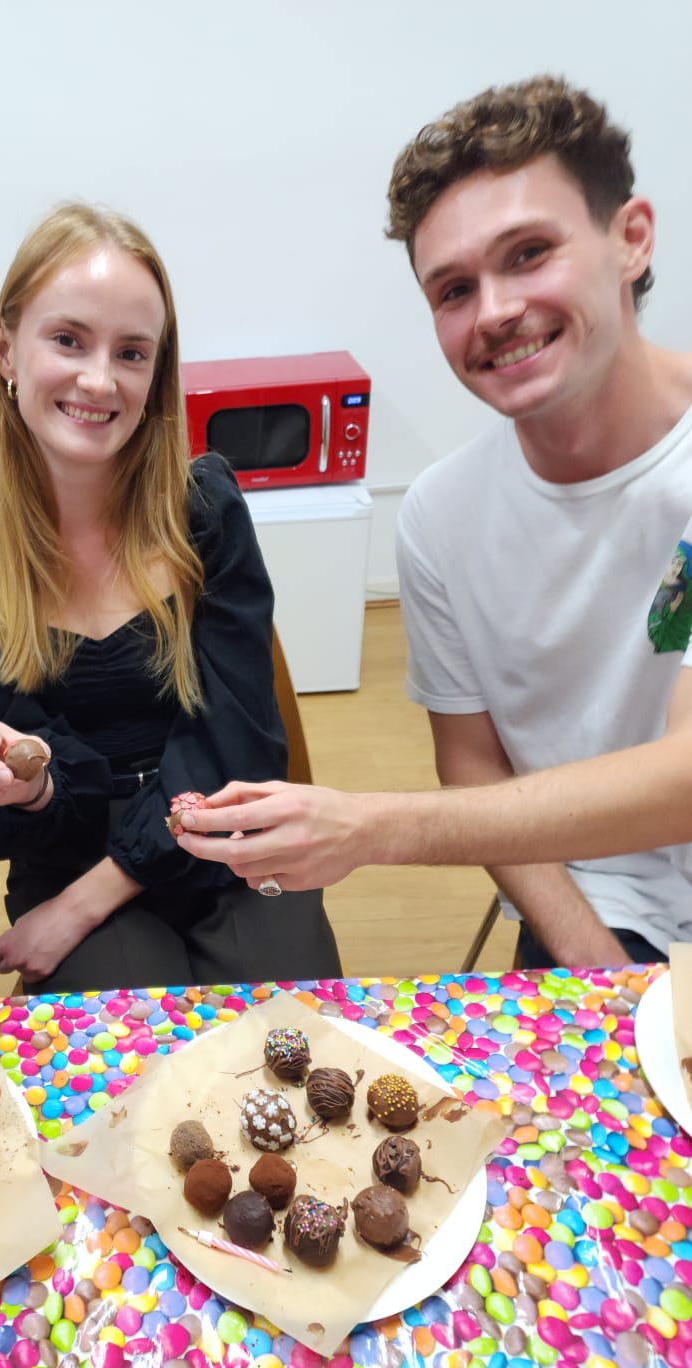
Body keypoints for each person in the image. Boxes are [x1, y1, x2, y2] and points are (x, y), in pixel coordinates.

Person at [175, 76, 692, 969]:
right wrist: (603, 977)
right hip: (597, 905)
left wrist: (372, 825)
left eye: (528, 253)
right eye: (452, 289)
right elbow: (473, 762)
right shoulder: (441, 517)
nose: (493, 311)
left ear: (630, 240)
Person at [0, 203, 341, 992]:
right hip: (69, 847)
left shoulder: (205, 509)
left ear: (156, 374)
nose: (99, 380)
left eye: (132, 353)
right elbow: (39, 768)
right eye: (68, 340)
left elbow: (235, 746)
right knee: (131, 1068)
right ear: (6, 351)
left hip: (228, 832)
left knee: (288, 1048)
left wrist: (83, 904)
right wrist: (28, 783)